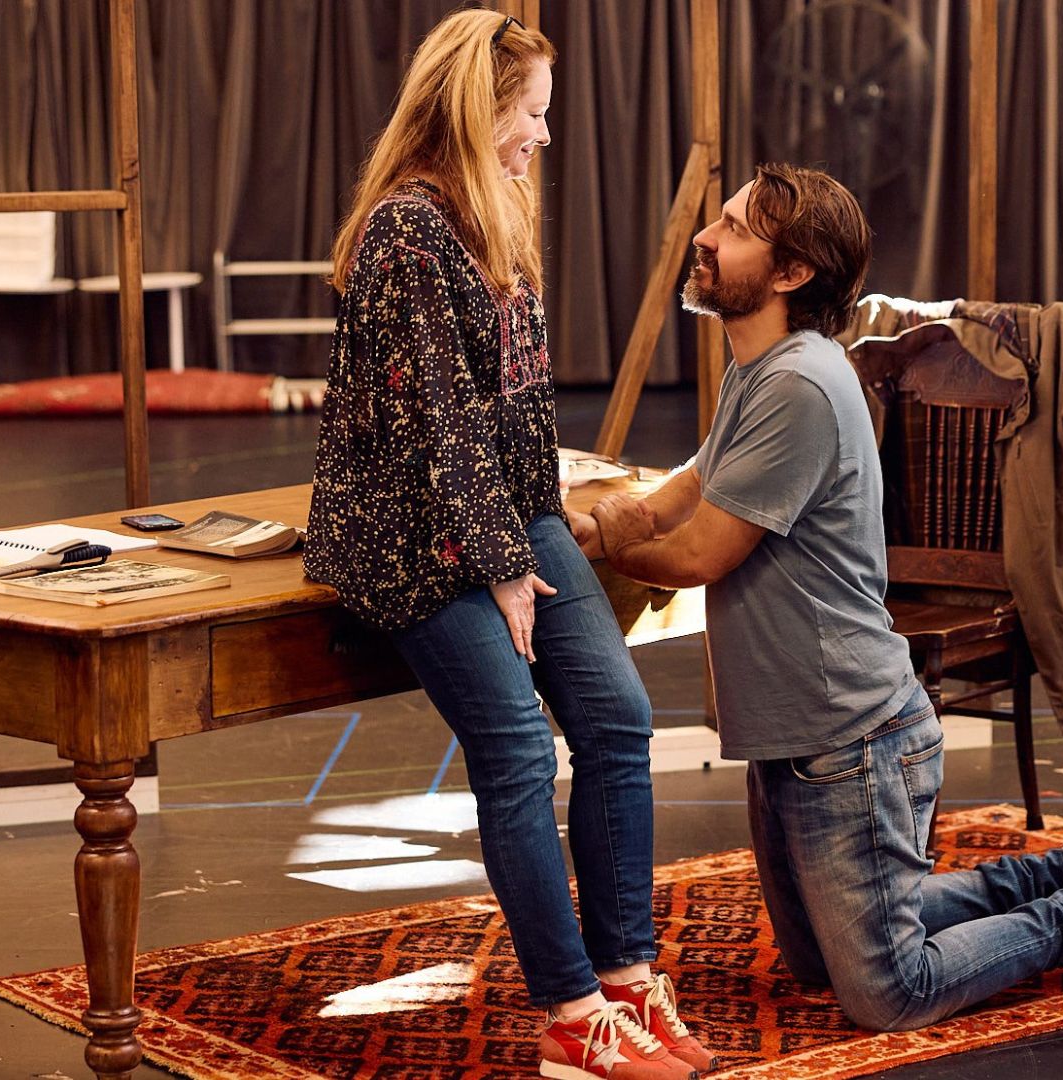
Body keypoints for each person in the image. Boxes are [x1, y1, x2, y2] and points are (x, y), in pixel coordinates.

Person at [581, 163, 1063, 1033]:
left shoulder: (799, 383)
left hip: (852, 739)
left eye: (732, 229)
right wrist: (610, 523)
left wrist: (603, 549)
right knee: (816, 963)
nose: (705, 237)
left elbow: (699, 554)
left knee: (890, 991)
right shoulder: (761, 368)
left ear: (791, 272)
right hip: (797, 735)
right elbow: (695, 480)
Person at [304, 11, 714, 1078]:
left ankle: (626, 975)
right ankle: (572, 1019)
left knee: (618, 719)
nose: (542, 133)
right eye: (530, 112)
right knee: (520, 751)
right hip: (410, 530)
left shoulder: (491, 211)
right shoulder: (406, 231)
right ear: (476, 109)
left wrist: (537, 528)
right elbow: (438, 421)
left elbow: (511, 408)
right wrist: (500, 568)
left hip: (503, 511)